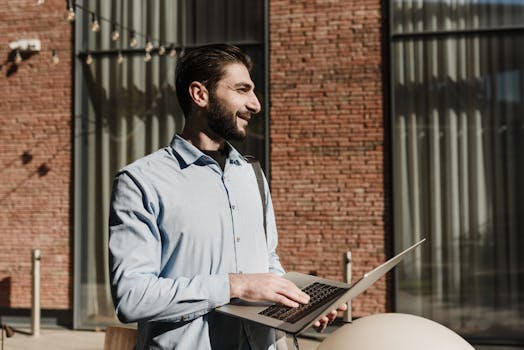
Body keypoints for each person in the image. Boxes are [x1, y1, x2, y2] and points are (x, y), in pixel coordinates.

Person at [108, 43, 345, 349]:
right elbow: (132, 297)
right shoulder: (140, 182)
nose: (256, 104)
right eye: (242, 90)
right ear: (200, 95)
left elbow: (267, 262)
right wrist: (235, 285)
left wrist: (299, 302)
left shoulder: (252, 174)